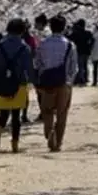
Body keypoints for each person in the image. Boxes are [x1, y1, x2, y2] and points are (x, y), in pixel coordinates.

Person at [33, 14, 79, 151]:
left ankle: (49, 132)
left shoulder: (42, 44)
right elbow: (74, 67)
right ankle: (58, 141)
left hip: (48, 82)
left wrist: (41, 76)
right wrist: (70, 81)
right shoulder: (70, 45)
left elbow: (37, 63)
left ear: (50, 27)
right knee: (62, 112)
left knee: (47, 111)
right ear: (64, 28)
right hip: (64, 83)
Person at [0, 18, 33, 153]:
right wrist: (34, 81)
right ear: (22, 31)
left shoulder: (0, 46)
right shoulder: (25, 47)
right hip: (19, 83)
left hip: (2, 82)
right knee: (16, 115)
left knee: (3, 114)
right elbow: (28, 67)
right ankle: (15, 143)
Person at [20, 20, 38, 124]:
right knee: (24, 93)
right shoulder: (30, 39)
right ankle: (24, 115)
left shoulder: (15, 39)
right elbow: (34, 53)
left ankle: (16, 113)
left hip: (14, 69)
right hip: (25, 68)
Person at [70, 19, 94, 86]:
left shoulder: (76, 33)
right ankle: (85, 78)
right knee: (85, 65)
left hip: (80, 51)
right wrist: (90, 46)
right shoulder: (88, 33)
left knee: (80, 66)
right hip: (87, 51)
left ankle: (82, 79)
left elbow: (70, 38)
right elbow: (93, 40)